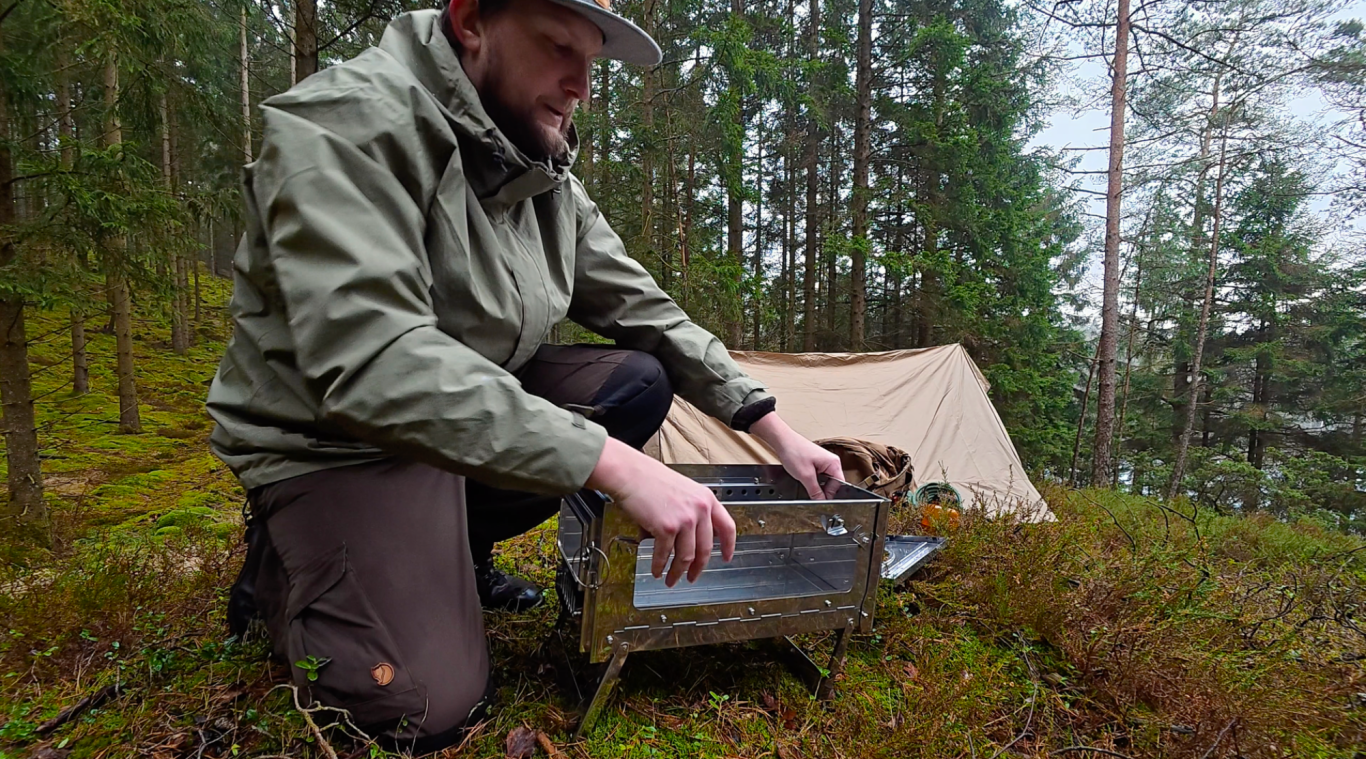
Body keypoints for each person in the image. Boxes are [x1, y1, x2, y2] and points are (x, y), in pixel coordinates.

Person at [206, 0, 843, 752]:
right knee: (420, 705)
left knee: (636, 381)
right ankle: (284, 563)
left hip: (456, 418)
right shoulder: (345, 125)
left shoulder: (540, 168)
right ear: (471, 21)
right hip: (337, 443)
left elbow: (643, 308)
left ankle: (459, 548)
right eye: (556, 47)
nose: (581, 85)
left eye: (591, 61)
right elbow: (374, 359)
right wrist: (614, 463)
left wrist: (770, 425)